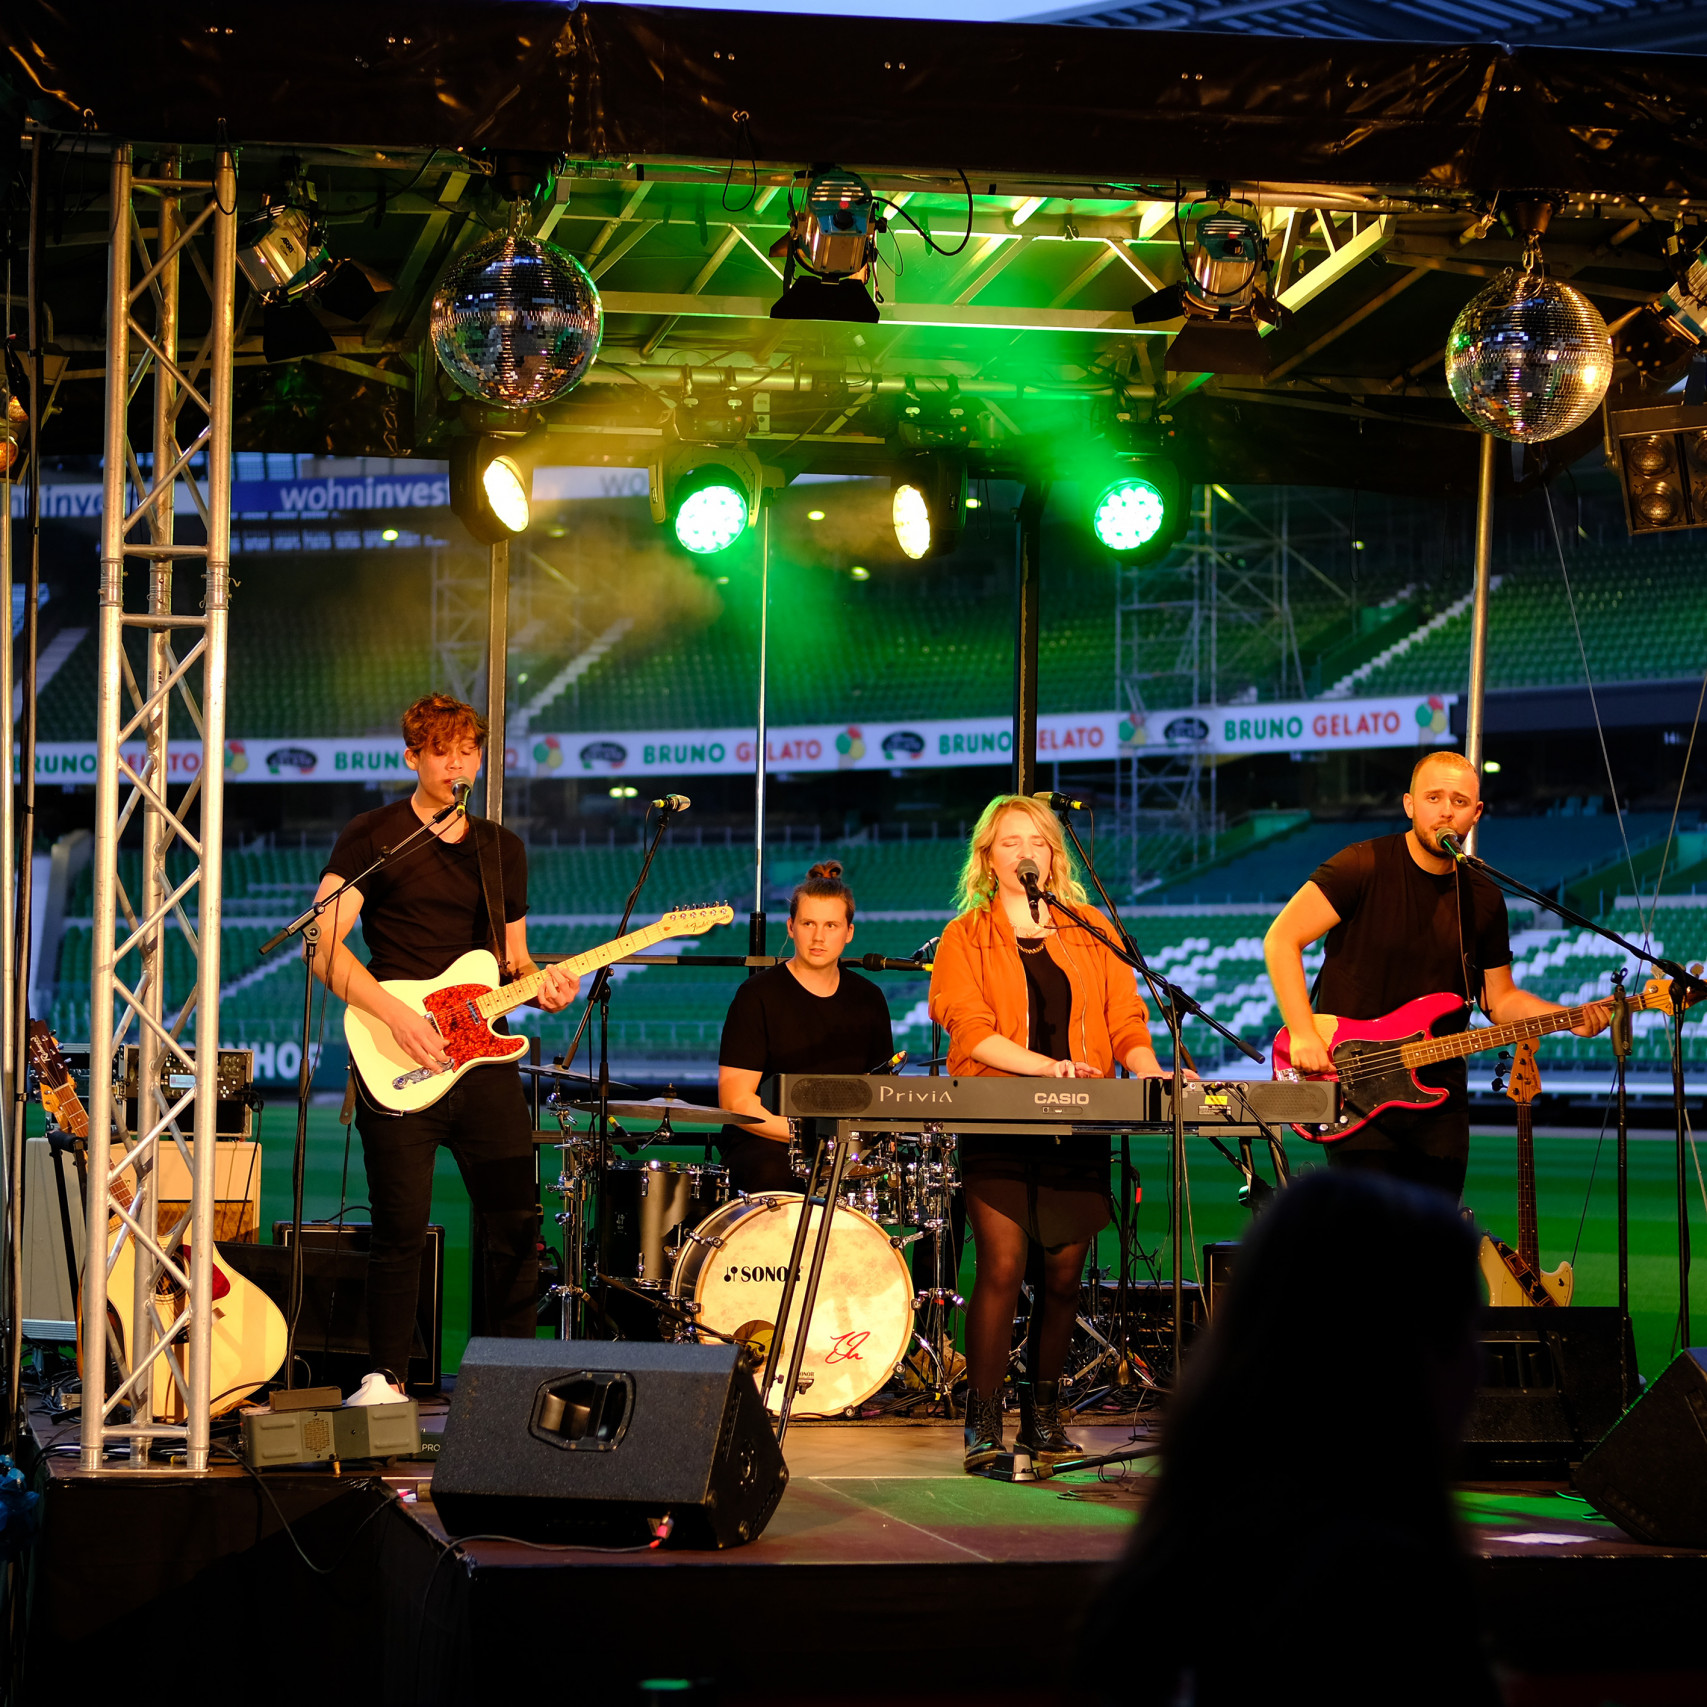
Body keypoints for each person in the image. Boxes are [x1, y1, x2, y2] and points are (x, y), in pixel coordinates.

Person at [1078, 1169, 1498, 1707]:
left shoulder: (1182, 1546)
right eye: (1460, 1329)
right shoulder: (1372, 1586)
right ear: (1388, 1354)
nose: (1481, 1365)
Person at [310, 693, 580, 1392]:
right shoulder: (372, 835)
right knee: (399, 1227)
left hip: (480, 1057)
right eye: (441, 750)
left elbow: (512, 957)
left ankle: (509, 1377)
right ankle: (383, 1378)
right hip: (396, 1048)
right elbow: (321, 947)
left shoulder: (501, 848)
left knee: (516, 1222)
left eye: (468, 749)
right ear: (413, 757)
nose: (457, 761)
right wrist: (395, 1016)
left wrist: (540, 981)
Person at [929, 795, 1169, 1473]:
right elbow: (970, 1029)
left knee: (1064, 1275)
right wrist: (1047, 1066)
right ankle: (982, 1420)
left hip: (1079, 1118)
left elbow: (1125, 1018)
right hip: (997, 1116)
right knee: (1002, 1266)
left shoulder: (1089, 926)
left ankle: (1044, 1415)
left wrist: (1149, 1070)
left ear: (1054, 854)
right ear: (987, 856)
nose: (1023, 850)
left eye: (1035, 839)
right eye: (1008, 841)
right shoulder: (964, 934)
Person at [1263, 750, 1609, 1202]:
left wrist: (1566, 1017)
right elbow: (1280, 940)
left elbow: (1498, 999)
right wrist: (1304, 1034)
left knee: (1432, 1252)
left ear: (1476, 813)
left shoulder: (1483, 897)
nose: (1446, 810)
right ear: (1409, 804)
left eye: (1460, 801)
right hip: (1355, 1085)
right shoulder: (1360, 866)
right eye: (1434, 797)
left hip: (1440, 1097)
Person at [717, 861, 894, 1195]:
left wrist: (846, 1145)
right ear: (791, 927)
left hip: (844, 1147)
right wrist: (815, 1138)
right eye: (808, 923)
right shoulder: (757, 995)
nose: (818, 936)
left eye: (831, 925)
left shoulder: (869, 998)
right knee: (773, 1173)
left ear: (849, 933)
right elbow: (736, 1099)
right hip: (768, 1141)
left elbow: (878, 1092)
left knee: (938, 1191)